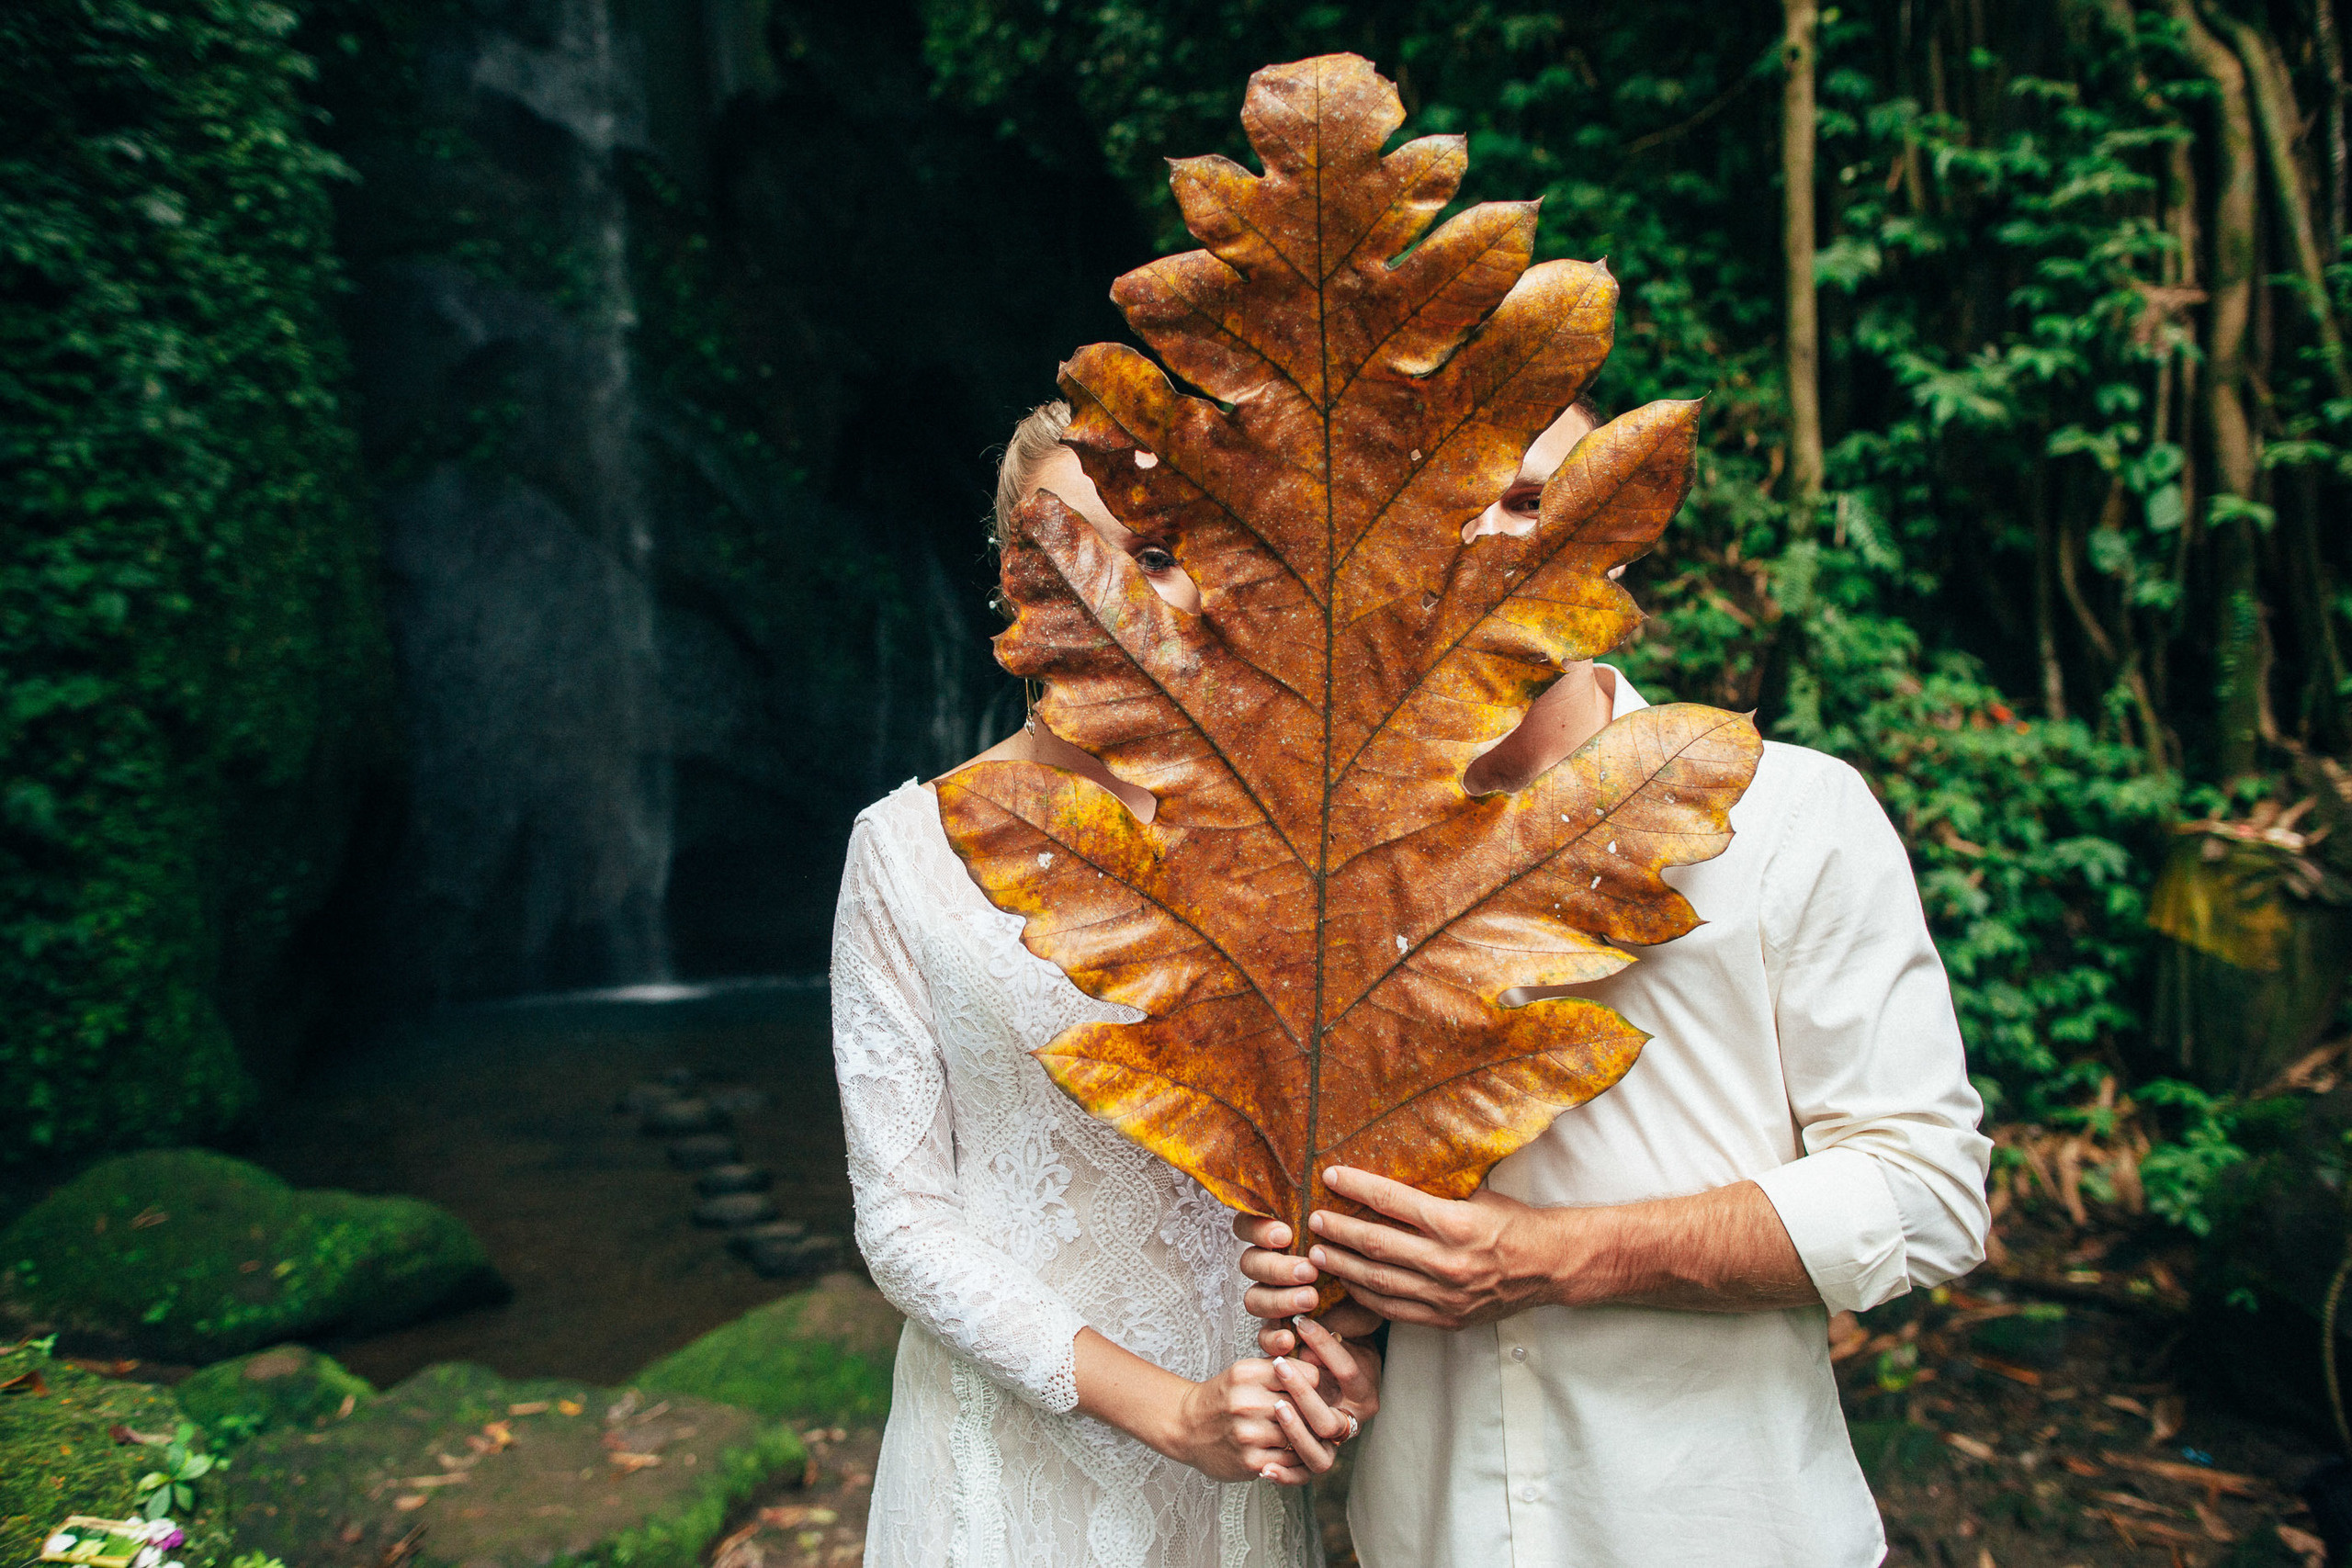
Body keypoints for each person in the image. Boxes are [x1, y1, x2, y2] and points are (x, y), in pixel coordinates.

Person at [1238, 401, 1993, 1568]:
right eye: (1440, 500)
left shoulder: (1784, 817)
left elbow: (1928, 1196)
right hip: (1431, 1535)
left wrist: (1549, 1256)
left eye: (1534, 498)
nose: (1492, 536)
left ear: (1620, 531)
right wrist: (1328, 1296)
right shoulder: (1315, 863)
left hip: (1724, 1527)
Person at [831, 400, 1377, 1568]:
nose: (1108, 589)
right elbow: (902, 1217)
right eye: (1055, 547)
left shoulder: (1297, 844)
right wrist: (1170, 1414)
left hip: (1241, 1452)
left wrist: (1353, 1324)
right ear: (1005, 579)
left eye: (1160, 552)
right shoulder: (908, 847)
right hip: (1003, 1467)